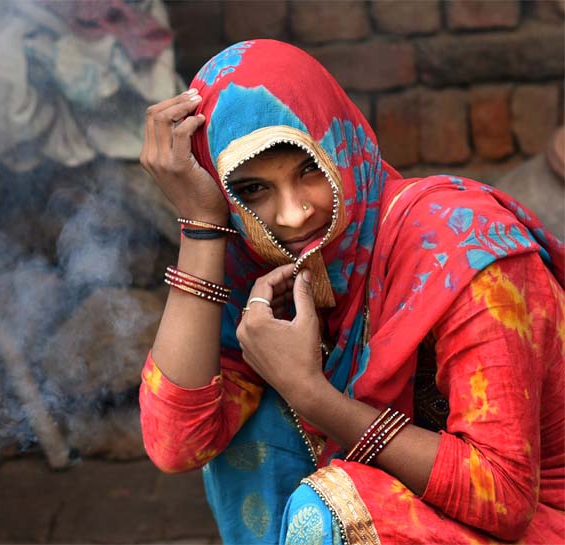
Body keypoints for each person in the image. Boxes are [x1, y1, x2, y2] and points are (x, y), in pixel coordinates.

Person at [138, 39, 564, 544]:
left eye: (310, 171)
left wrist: (312, 394)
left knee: (325, 513)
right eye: (253, 190)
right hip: (428, 502)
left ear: (343, 149)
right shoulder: (257, 260)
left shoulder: (461, 250)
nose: (293, 214)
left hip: (539, 518)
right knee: (248, 425)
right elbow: (178, 444)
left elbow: (507, 495)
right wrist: (203, 227)